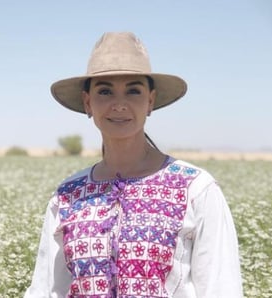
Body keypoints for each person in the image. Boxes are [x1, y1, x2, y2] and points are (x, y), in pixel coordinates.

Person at [24, 32, 243, 298]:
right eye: (104, 91)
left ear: (150, 101)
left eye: (133, 91)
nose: (119, 104)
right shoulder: (67, 197)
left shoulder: (196, 189)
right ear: (87, 102)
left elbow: (221, 289)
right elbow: (47, 290)